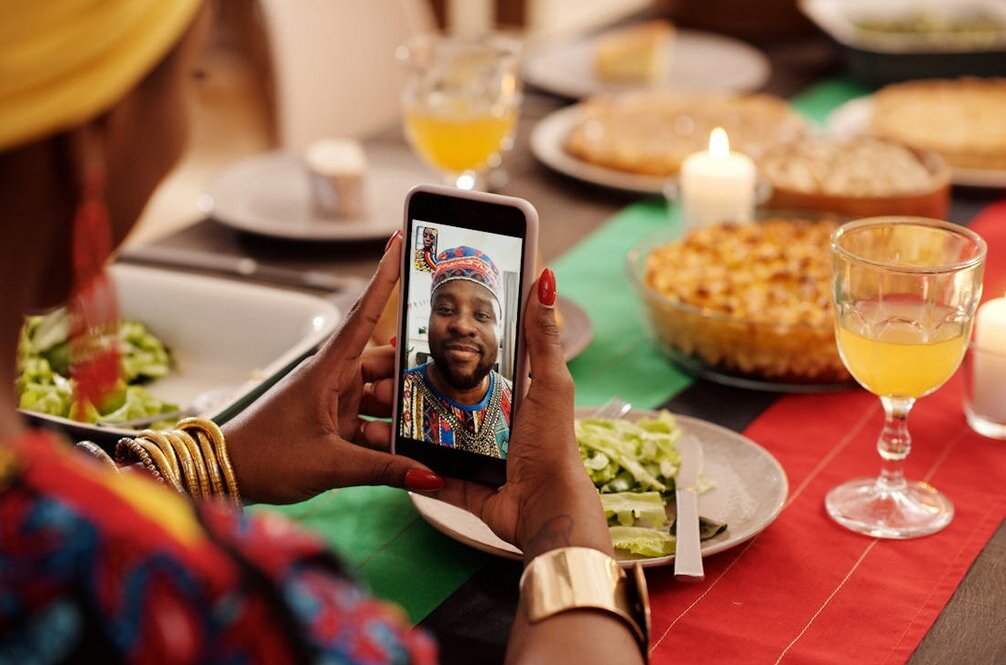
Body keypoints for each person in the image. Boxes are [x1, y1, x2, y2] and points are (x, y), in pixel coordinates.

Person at [0, 2, 646, 663]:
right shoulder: (226, 603)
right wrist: (568, 534)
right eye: (191, 77)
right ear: (91, 141)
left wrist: (223, 459)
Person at [401, 246, 512, 457]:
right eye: (445, 309)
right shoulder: (399, 395)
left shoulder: (519, 401)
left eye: (481, 314)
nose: (462, 326)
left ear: (499, 329)